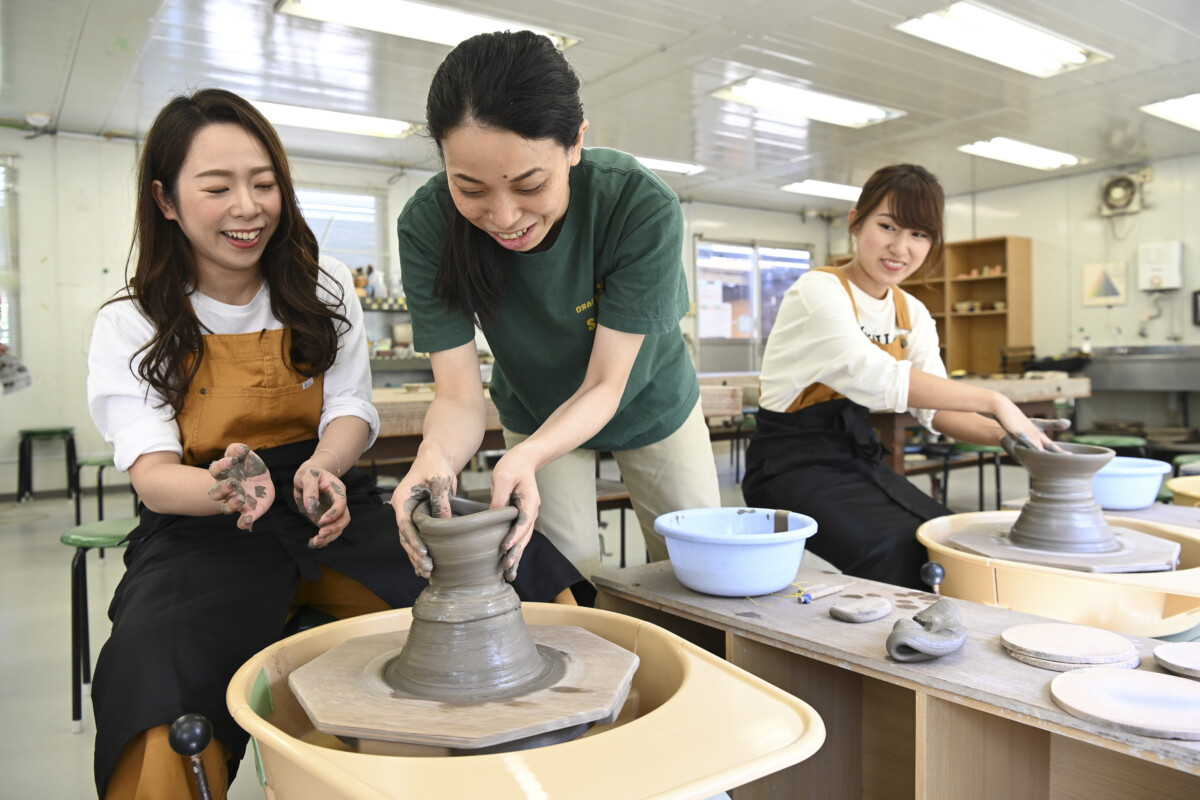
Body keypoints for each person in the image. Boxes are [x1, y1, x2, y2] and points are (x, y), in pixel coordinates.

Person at [86, 88, 588, 800]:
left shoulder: (320, 289)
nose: (247, 207)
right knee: (152, 668)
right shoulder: (131, 321)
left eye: (264, 184)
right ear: (166, 200)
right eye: (218, 187)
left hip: (331, 507)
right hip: (201, 525)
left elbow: (350, 407)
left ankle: (575, 759)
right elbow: (154, 476)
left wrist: (323, 466)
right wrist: (227, 488)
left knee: (516, 565)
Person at [393, 31, 721, 582]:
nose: (502, 216)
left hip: (649, 401)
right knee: (560, 574)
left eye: (530, 184)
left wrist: (525, 457)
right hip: (535, 406)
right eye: (469, 189)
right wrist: (436, 458)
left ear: (575, 144)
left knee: (698, 565)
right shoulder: (427, 225)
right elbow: (457, 395)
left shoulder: (638, 205)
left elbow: (605, 385)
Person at [741, 164, 1063, 590]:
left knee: (948, 540)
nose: (900, 247)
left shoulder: (911, 312)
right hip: (789, 466)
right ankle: (881, 649)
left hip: (856, 458)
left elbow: (936, 411)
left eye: (919, 235)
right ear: (856, 222)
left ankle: (937, 641)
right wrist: (994, 401)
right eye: (887, 226)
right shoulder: (818, 290)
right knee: (892, 548)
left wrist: (1014, 436)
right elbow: (872, 374)